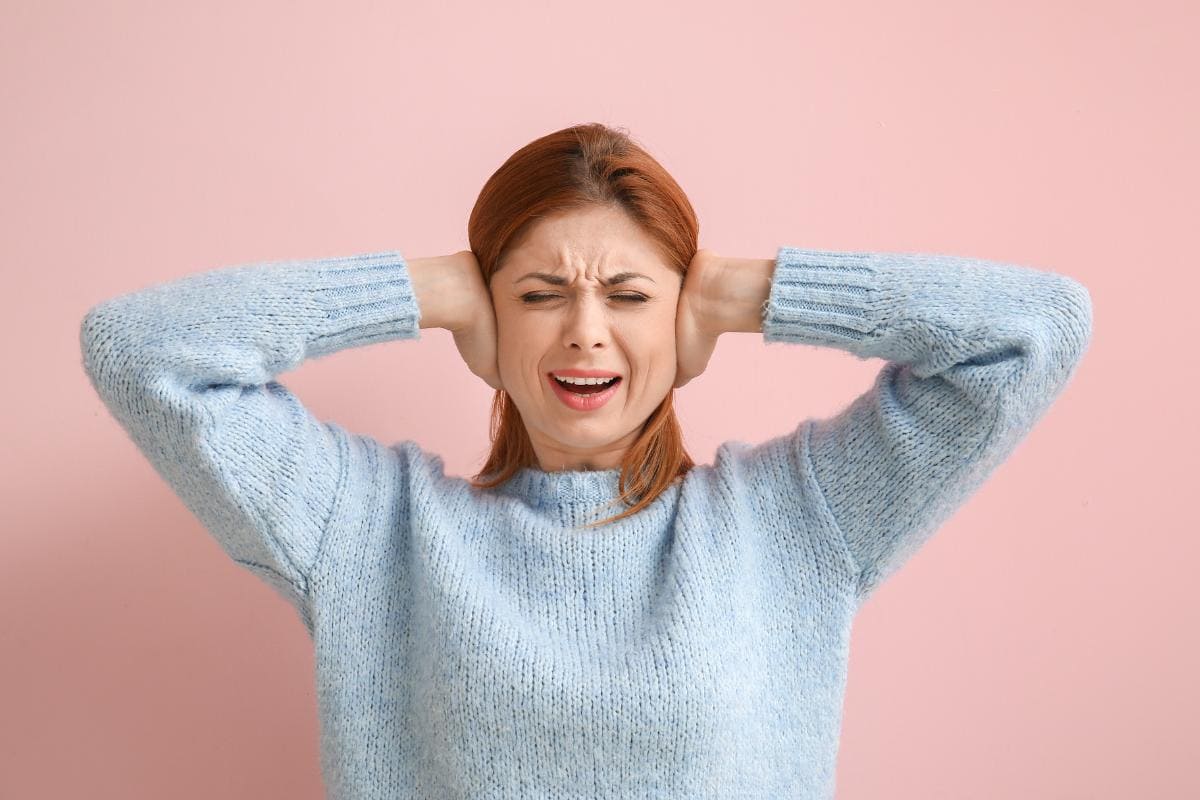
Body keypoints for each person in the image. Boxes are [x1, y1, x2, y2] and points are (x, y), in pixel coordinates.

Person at [78, 122, 1093, 799]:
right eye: (537, 295)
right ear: (484, 321)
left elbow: (1030, 332)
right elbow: (143, 350)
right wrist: (425, 290)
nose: (585, 333)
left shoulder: (793, 519)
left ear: (688, 319)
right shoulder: (369, 528)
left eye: (632, 296)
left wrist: (747, 292)